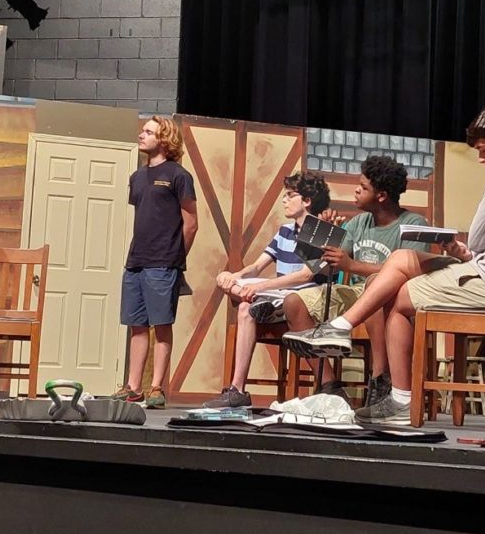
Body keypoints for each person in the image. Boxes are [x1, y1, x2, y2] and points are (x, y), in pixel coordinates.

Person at [289, 103, 485, 427]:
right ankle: (341, 328)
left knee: (400, 295)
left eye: (484, 150)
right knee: (401, 259)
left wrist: (470, 251)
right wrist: (464, 254)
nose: (481, 159)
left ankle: (400, 398)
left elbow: (477, 236)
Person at [280, 155, 431, 404]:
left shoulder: (414, 224)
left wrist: (352, 265)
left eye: (363, 188)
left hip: (393, 304)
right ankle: (329, 384)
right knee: (294, 302)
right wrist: (324, 234)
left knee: (375, 287)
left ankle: (381, 380)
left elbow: (407, 272)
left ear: (381, 195)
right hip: (352, 296)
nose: (356, 191)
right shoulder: (359, 223)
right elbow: (325, 260)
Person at [204, 171, 331, 408]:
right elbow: (257, 266)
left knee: (249, 299)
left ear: (307, 201)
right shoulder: (284, 230)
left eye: (290, 195)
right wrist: (235, 275)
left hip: (303, 299)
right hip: (277, 297)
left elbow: (305, 275)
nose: (284, 199)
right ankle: (237, 389)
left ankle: (253, 299)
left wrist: (262, 285)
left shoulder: (320, 230)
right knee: (244, 306)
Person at [112, 116, 198, 409]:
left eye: (148, 132)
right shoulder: (136, 178)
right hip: (136, 259)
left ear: (164, 139)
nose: (141, 135)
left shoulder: (179, 175)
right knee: (136, 324)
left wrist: (176, 256)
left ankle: (157, 387)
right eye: (143, 130)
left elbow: (191, 223)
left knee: (161, 324)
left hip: (164, 262)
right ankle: (133, 387)